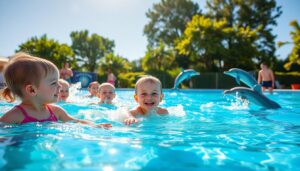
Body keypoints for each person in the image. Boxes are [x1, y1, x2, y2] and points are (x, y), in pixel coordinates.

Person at [0, 52, 111, 128]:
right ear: (32, 90)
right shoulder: (15, 115)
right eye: (54, 83)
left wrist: (96, 126)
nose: (59, 86)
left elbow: (76, 121)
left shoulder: (56, 111)